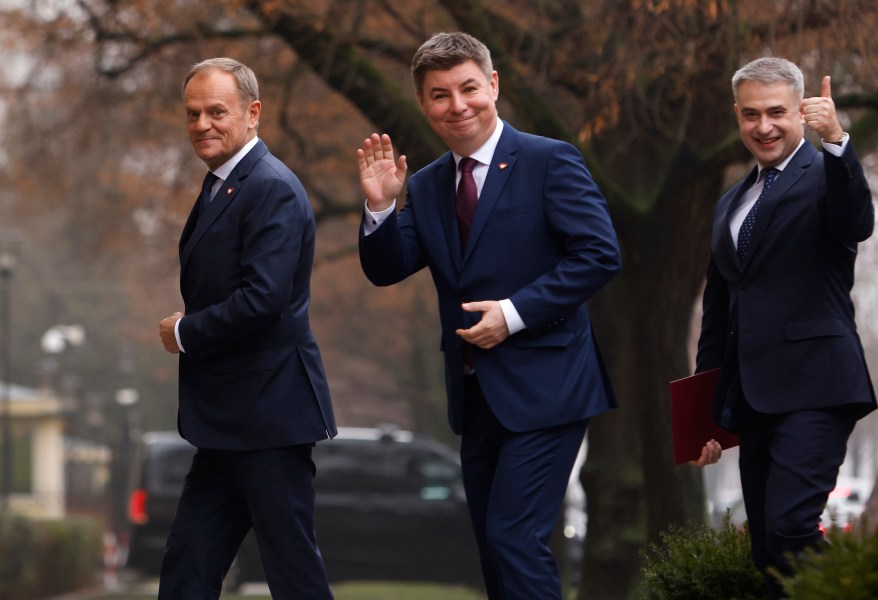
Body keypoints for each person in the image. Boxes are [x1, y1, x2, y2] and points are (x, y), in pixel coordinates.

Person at [356, 32, 621, 600]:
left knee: (514, 537)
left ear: (493, 85)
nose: (458, 106)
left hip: (550, 388)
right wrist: (380, 208)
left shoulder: (550, 160)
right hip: (476, 398)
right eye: (440, 95)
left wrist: (514, 313)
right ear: (424, 105)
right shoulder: (425, 186)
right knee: (494, 549)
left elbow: (600, 254)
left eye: (469, 88)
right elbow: (389, 267)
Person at [695, 57, 877, 597]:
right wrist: (705, 412)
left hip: (818, 386)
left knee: (792, 531)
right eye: (751, 114)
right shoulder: (731, 203)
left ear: (802, 111)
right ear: (737, 116)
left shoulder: (826, 175)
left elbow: (856, 222)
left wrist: (839, 141)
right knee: (767, 550)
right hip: (754, 399)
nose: (764, 126)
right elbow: (720, 311)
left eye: (777, 112)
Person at [157, 57, 336, 599]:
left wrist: (185, 332)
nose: (202, 125)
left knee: (293, 576)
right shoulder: (224, 184)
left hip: (269, 422)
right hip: (226, 426)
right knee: (187, 572)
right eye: (193, 114)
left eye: (217, 112)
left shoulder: (271, 187)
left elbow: (264, 300)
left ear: (253, 113)